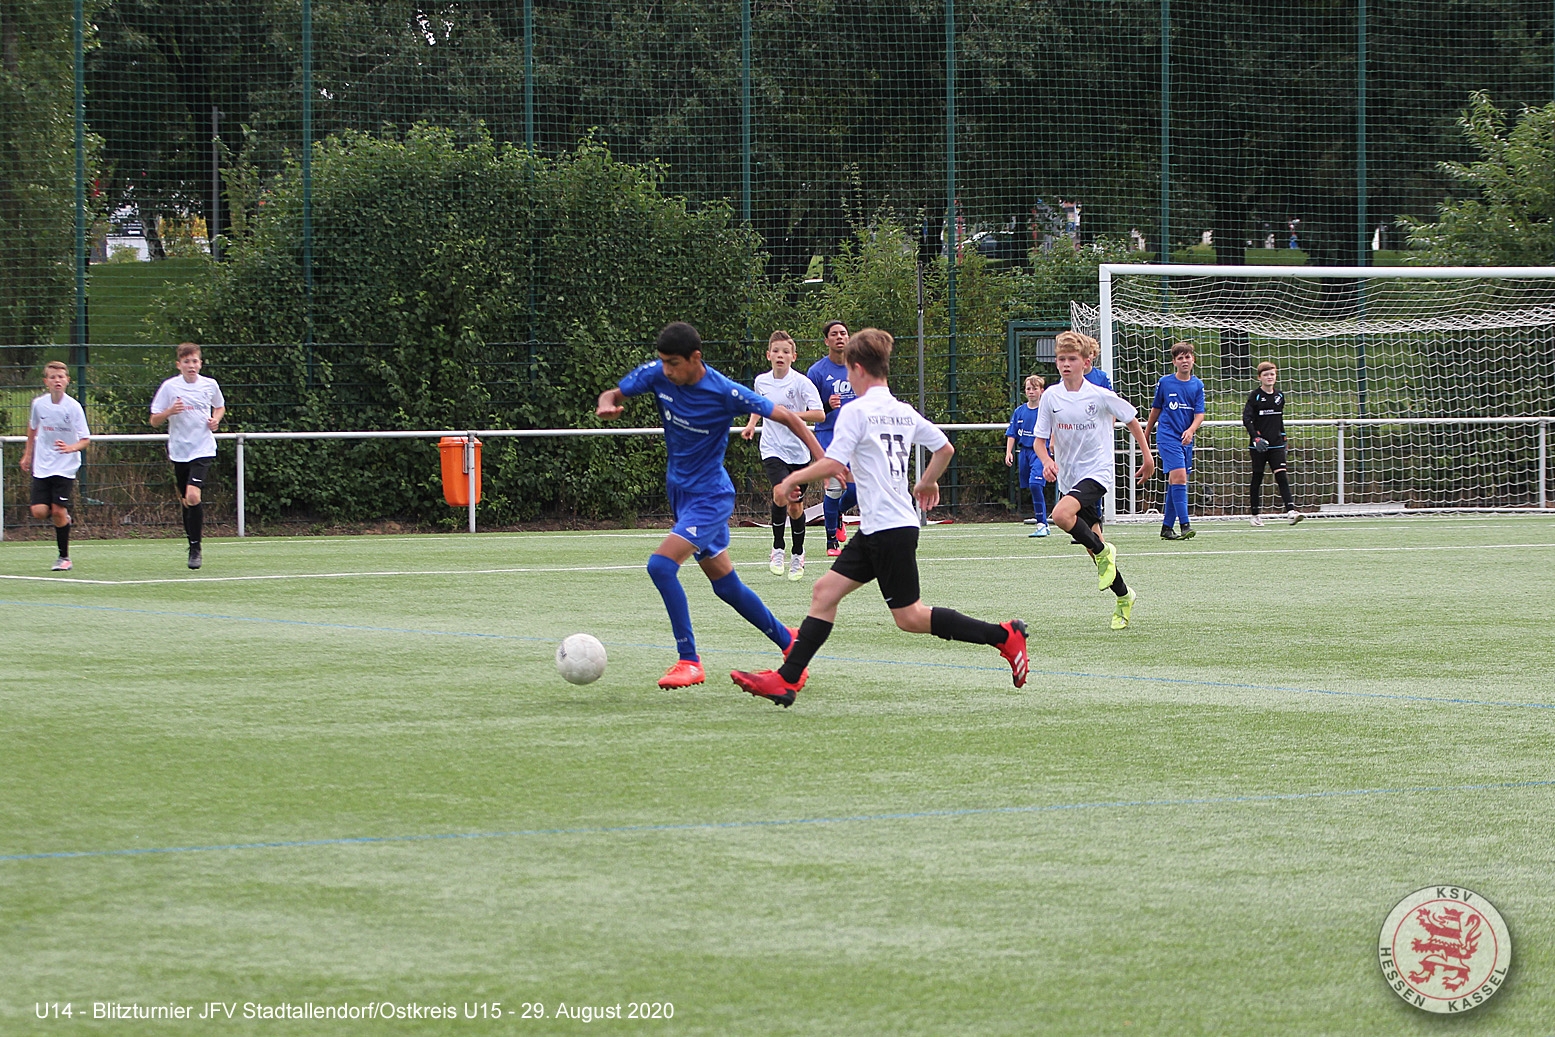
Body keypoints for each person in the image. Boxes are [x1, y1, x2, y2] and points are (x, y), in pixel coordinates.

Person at [730, 328, 1029, 708]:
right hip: (882, 527)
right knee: (825, 592)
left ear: (856, 369)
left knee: (910, 617)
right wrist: (926, 481)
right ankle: (786, 680)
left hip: (889, 530)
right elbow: (944, 447)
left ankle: (1004, 636)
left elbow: (833, 463)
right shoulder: (902, 410)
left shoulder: (856, 411)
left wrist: (790, 480)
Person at [597, 321, 825, 689]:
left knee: (660, 566)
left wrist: (822, 460)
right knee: (726, 586)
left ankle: (689, 660)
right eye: (663, 362)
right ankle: (789, 642)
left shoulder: (723, 391)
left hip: (711, 498)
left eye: (673, 364)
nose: (666, 370)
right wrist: (608, 402)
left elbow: (784, 416)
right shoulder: (658, 374)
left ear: (695, 358)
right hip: (681, 495)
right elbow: (614, 393)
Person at [1033, 333, 1154, 630]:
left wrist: (1147, 456)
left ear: (1085, 363)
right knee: (1094, 551)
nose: (1065, 364)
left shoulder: (1099, 395)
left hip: (1097, 472)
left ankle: (1104, 551)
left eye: (1072, 359)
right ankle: (1124, 596)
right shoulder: (1051, 396)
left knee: (1061, 515)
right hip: (1069, 477)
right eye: (1061, 359)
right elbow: (1039, 441)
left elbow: (1131, 419)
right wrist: (1047, 461)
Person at [742, 331, 826, 580]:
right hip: (772, 448)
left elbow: (819, 414)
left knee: (796, 506)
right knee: (780, 492)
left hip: (798, 452)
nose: (781, 355)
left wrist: (789, 416)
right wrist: (751, 424)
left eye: (786, 351)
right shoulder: (761, 381)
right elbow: (758, 405)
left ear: (793, 356)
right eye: (776, 351)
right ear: (768, 355)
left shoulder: (801, 383)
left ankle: (798, 553)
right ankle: (778, 548)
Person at [149, 342, 226, 569]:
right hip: (180, 451)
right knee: (186, 500)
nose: (191, 366)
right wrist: (169, 411)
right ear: (179, 365)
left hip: (203, 448)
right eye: (186, 362)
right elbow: (154, 420)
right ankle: (191, 541)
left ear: (200, 363)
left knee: (193, 496)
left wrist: (215, 420)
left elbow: (219, 406)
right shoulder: (169, 387)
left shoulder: (209, 385)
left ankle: (195, 548)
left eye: (194, 361)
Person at [20, 361, 91, 571]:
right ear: (46, 381)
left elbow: (85, 439)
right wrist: (27, 454)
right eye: (53, 377)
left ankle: (64, 558)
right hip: (43, 465)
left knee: (58, 511)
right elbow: (33, 428)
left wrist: (71, 448)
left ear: (67, 380)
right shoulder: (39, 404)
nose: (57, 381)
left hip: (65, 466)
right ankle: (64, 519)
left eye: (61, 377)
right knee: (39, 512)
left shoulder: (74, 407)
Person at [806, 319, 859, 555]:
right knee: (835, 486)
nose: (839, 337)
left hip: (855, 436)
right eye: (834, 334)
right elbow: (810, 410)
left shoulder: (858, 367)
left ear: (849, 338)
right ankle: (831, 541)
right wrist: (827, 406)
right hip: (828, 435)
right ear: (826, 341)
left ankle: (837, 513)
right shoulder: (816, 372)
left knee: (856, 490)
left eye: (843, 333)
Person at [1145, 341, 1205, 541]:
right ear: (1174, 362)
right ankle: (1185, 524)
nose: (1184, 361)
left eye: (1187, 357)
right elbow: (1156, 409)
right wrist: (1146, 433)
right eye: (1180, 358)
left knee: (1175, 480)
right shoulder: (1165, 382)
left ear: (1193, 360)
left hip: (1185, 438)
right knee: (1179, 477)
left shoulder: (1197, 385)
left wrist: (1191, 430)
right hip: (1167, 436)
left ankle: (1167, 527)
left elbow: (1199, 414)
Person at [1243, 361, 1303, 525]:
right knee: (1257, 477)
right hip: (1259, 445)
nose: (1269, 377)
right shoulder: (1255, 396)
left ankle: (1291, 511)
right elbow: (1247, 419)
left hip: (1276, 444)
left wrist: (1284, 438)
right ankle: (1255, 515)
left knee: (1281, 475)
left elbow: (1279, 420)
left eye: (1272, 374)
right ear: (1259, 377)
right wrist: (1255, 438)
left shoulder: (1279, 396)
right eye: (1266, 374)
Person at [1004, 374, 1049, 537]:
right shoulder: (1020, 411)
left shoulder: (1045, 411)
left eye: (1034, 388)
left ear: (1041, 391)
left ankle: (1042, 524)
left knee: (1035, 484)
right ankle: (1042, 521)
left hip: (1040, 452)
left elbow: (1055, 429)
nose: (1031, 391)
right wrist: (1008, 452)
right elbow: (1012, 433)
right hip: (1024, 453)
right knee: (1030, 486)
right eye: (1028, 388)